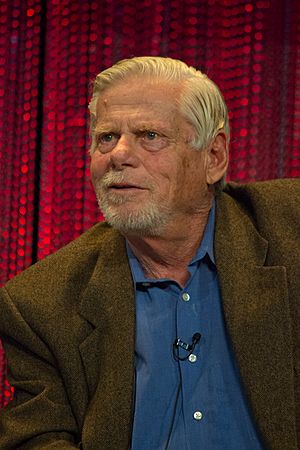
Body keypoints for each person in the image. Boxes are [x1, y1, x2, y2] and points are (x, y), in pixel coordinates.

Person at [0, 56, 299, 450]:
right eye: (106, 137)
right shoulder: (40, 303)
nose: (119, 155)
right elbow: (35, 440)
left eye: (150, 136)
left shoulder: (290, 229)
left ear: (213, 158)